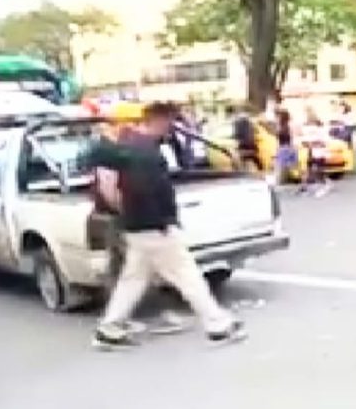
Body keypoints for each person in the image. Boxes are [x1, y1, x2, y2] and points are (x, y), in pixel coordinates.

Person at [84, 102, 245, 350]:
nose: (171, 128)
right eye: (169, 122)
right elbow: (147, 190)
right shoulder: (147, 152)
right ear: (158, 121)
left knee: (133, 280)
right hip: (153, 227)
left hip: (137, 226)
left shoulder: (131, 147)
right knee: (187, 275)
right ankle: (217, 325)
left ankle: (109, 329)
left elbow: (124, 187)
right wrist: (163, 221)